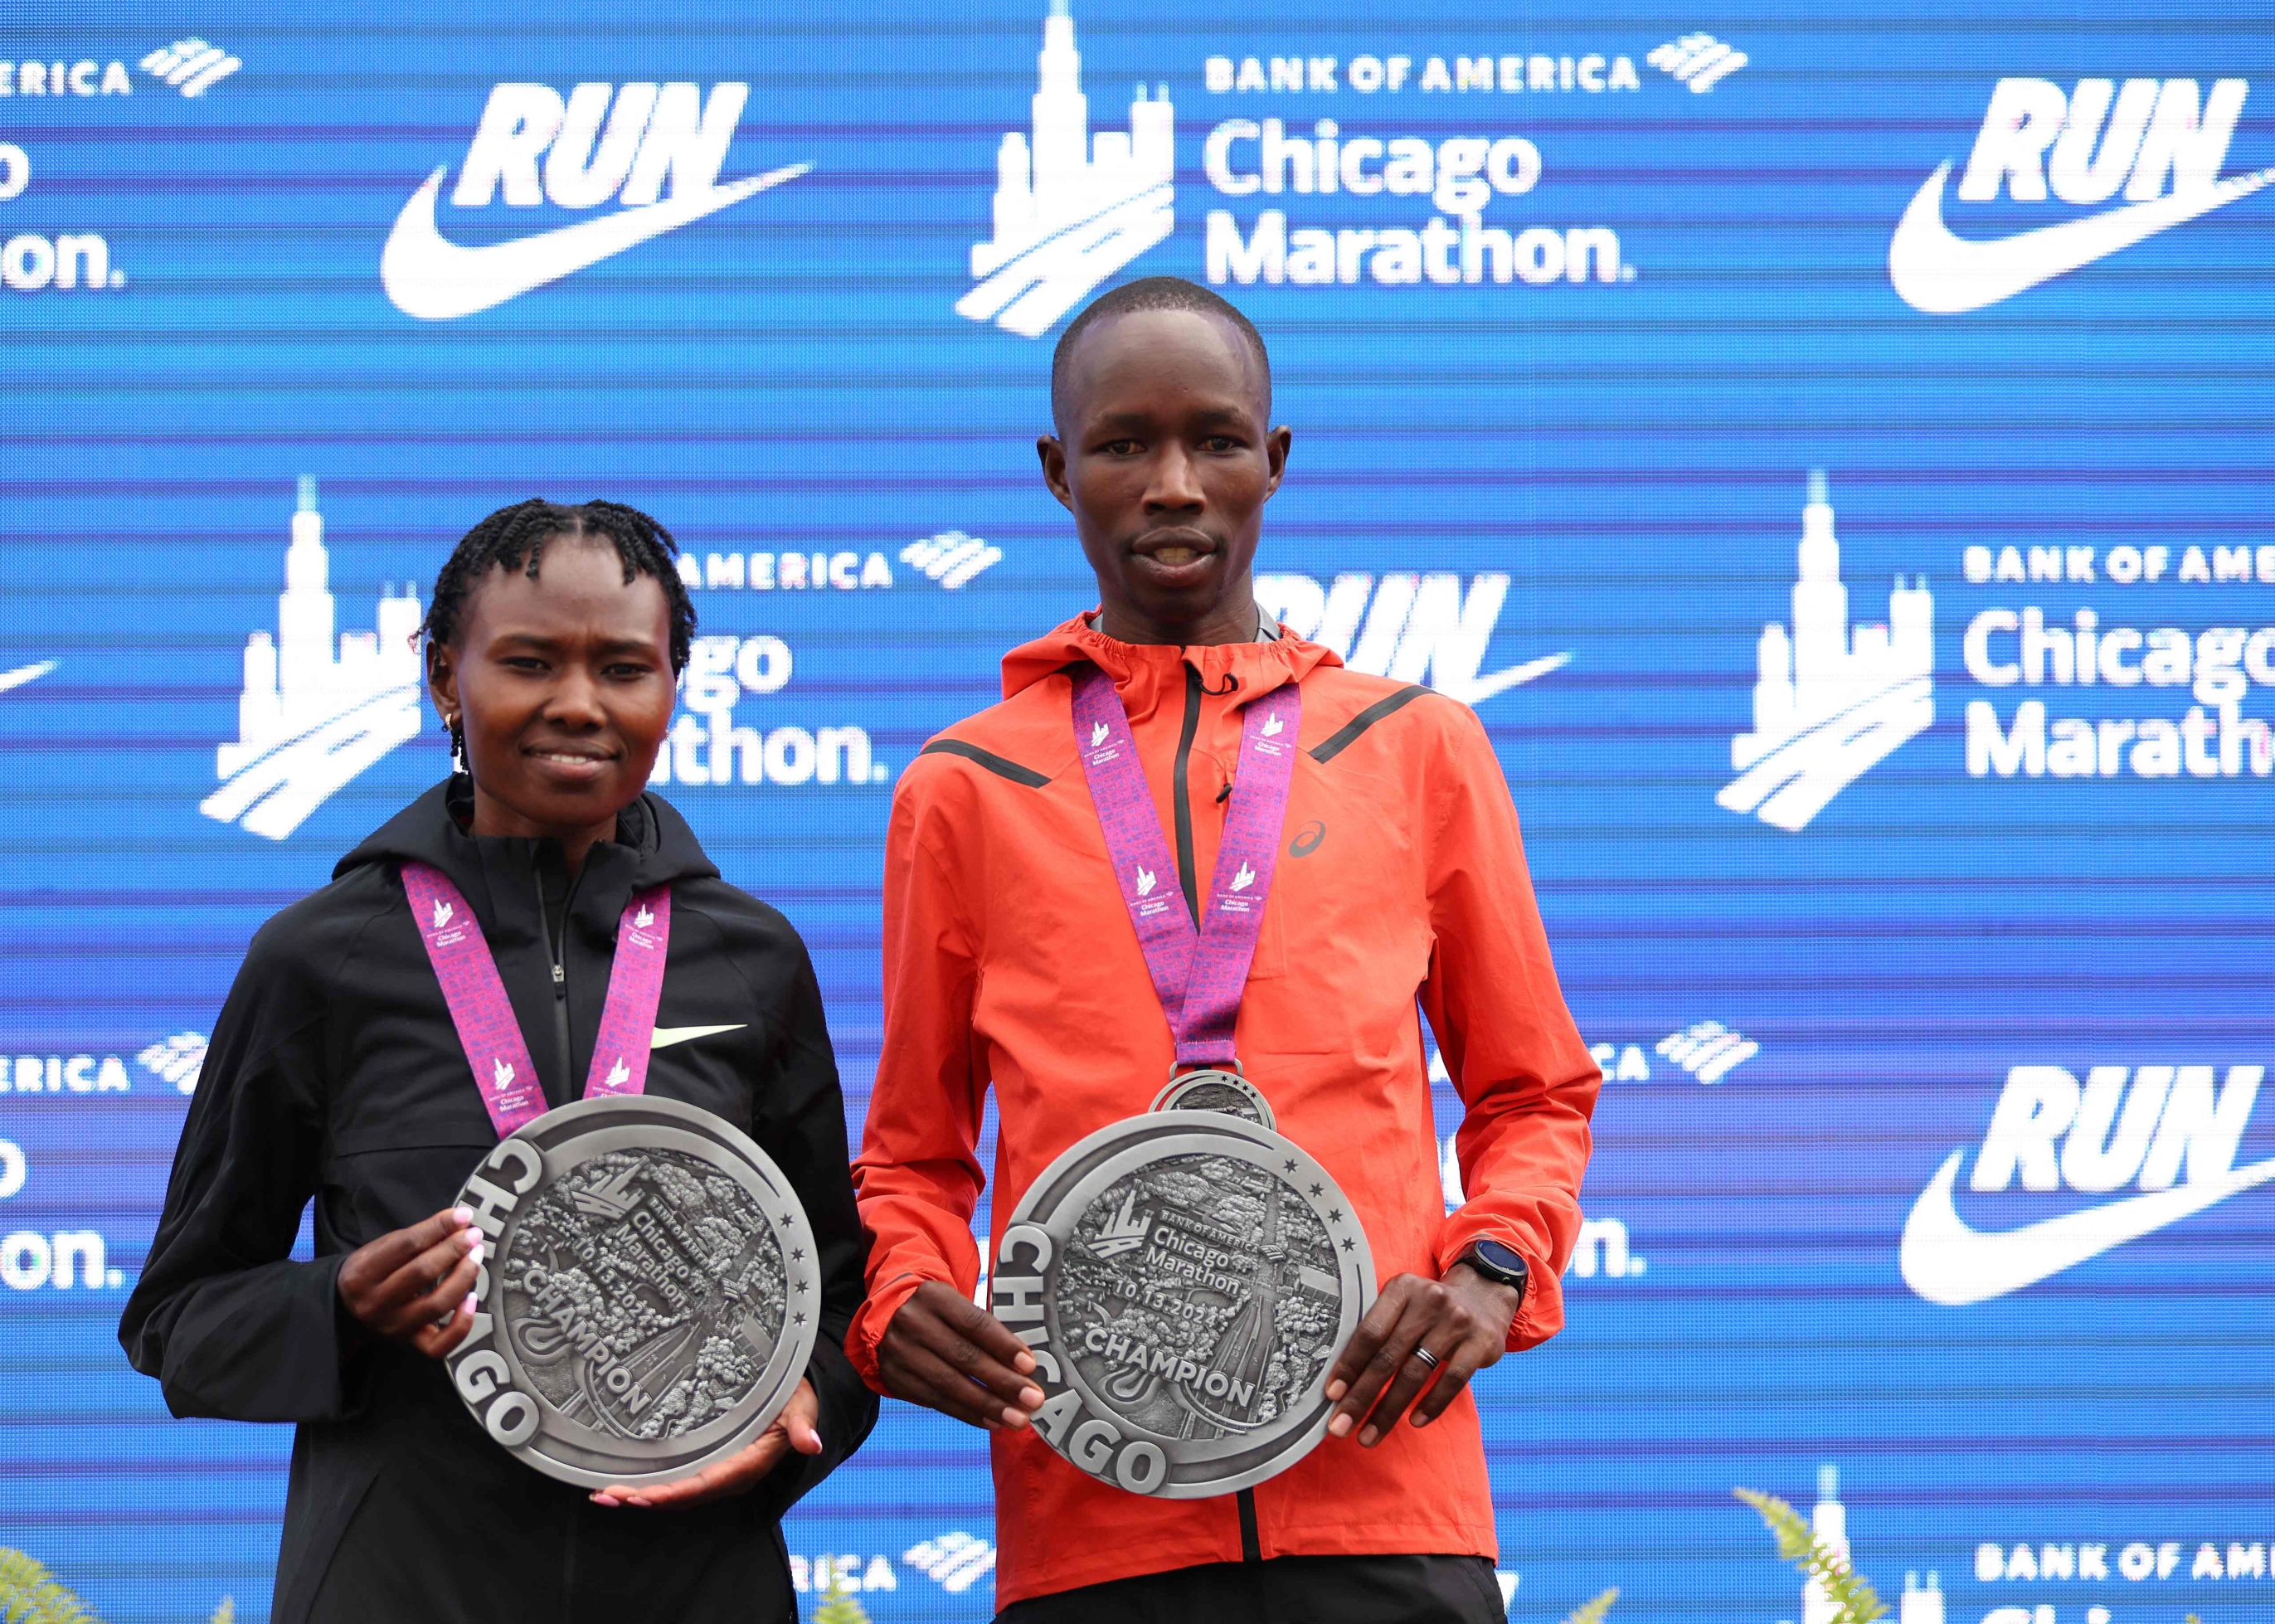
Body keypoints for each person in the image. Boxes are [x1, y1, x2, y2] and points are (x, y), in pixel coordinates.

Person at [848, 278, 1600, 1622]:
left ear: (1277, 460)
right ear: (1056, 472)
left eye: (1218, 441)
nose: (1175, 484)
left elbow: (1533, 1093)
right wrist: (901, 1292)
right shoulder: (964, 785)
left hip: (1389, 1492)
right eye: (1125, 444)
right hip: (1092, 1519)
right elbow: (911, 1152)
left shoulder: (1416, 747)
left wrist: (1492, 1270)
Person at [121, 499, 876, 1624]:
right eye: (529, 662)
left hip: (697, 1582)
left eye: (626, 667)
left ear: (675, 686)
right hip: (401, 1583)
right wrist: (342, 1303)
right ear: (444, 678)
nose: (579, 703)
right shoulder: (322, 959)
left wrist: (797, 1409)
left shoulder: (749, 959)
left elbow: (840, 1284)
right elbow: (178, 1319)